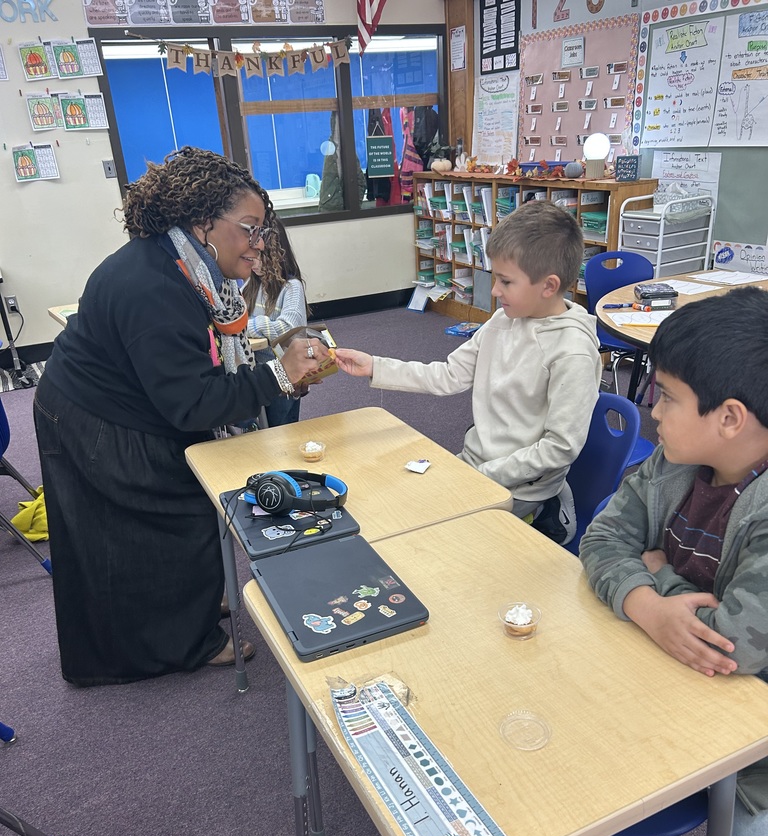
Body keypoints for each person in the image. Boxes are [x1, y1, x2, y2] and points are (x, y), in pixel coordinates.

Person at [34, 146, 327, 687]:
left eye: (263, 230)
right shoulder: (155, 285)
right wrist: (278, 376)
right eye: (249, 229)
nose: (260, 243)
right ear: (203, 223)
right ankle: (178, 642)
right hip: (94, 416)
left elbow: (202, 363)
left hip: (117, 400)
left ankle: (181, 611)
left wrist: (271, 369)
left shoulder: (182, 264)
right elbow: (191, 403)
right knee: (170, 512)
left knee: (155, 521)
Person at [579, 288, 768, 836]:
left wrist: (649, 573)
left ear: (729, 417)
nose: (651, 410)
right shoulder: (672, 461)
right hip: (673, 697)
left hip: (756, 764)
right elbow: (600, 538)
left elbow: (734, 642)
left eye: (667, 397)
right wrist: (654, 605)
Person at [334, 200, 602, 544]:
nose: (494, 291)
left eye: (506, 281)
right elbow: (447, 375)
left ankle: (548, 514)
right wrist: (376, 365)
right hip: (476, 466)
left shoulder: (572, 350)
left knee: (428, 541)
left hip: (519, 486)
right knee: (393, 506)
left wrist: (481, 475)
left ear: (548, 286)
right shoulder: (504, 320)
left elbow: (560, 448)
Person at [241, 213, 308, 427]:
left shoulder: (291, 287)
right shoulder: (253, 285)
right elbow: (236, 313)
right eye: (249, 258)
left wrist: (246, 326)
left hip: (285, 374)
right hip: (260, 372)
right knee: (263, 429)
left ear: (278, 255)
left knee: (282, 429)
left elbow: (286, 328)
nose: (254, 264)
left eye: (260, 257)